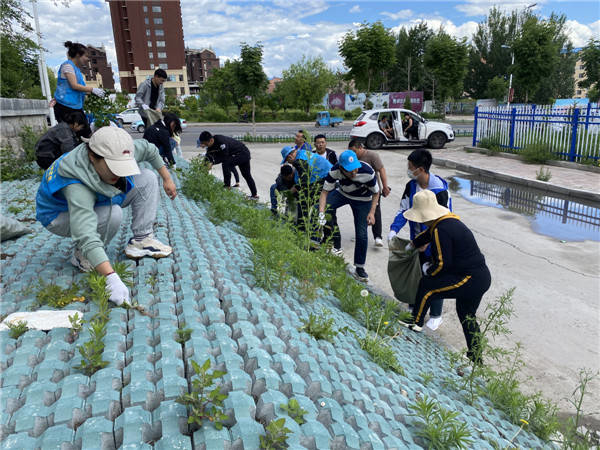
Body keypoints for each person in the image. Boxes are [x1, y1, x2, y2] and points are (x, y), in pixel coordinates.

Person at [35, 127, 177, 306]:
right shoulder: (75, 183)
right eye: (113, 168)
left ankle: (142, 238)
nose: (118, 174)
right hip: (59, 215)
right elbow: (85, 233)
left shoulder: (119, 149)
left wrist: (167, 178)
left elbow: (150, 149)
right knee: (113, 214)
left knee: (147, 177)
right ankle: (82, 256)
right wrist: (112, 278)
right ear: (93, 157)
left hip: (99, 194)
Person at [401, 190, 491, 363]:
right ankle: (476, 357)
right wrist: (413, 244)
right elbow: (427, 235)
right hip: (480, 277)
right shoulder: (445, 221)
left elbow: (443, 264)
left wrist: (428, 270)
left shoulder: (441, 230)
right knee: (467, 314)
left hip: (469, 278)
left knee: (428, 286)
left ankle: (416, 322)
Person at [388, 149, 452, 330]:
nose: (408, 170)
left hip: (435, 242)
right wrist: (393, 229)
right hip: (416, 239)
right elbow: (403, 209)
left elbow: (443, 221)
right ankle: (415, 308)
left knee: (435, 277)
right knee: (417, 275)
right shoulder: (411, 186)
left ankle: (436, 315)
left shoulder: (440, 189)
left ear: (421, 169)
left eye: (410, 167)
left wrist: (429, 242)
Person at [319, 150, 379, 282]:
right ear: (341, 168)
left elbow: (376, 193)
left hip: (363, 200)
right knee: (326, 209)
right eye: (349, 170)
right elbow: (324, 192)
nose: (354, 172)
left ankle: (359, 268)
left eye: (355, 169)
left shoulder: (367, 172)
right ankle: (333, 242)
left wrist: (372, 212)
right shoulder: (334, 171)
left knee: (362, 234)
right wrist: (321, 213)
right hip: (343, 194)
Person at [281, 145, 332, 243]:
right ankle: (303, 231)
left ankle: (304, 234)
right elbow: (301, 180)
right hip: (320, 179)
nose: (289, 161)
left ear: (292, 154)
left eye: (288, 158)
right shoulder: (302, 156)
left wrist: (295, 191)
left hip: (324, 178)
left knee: (306, 204)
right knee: (303, 202)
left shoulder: (300, 159)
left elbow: (304, 180)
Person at [54, 41, 105, 139]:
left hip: (74, 107)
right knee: (80, 135)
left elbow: (78, 89)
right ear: (78, 55)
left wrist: (92, 92)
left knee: (85, 135)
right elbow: (74, 85)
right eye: (85, 56)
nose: (87, 59)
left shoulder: (76, 69)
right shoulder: (67, 66)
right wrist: (92, 89)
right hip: (66, 108)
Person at [349, 139, 391, 248]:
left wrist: (385, 187)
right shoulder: (352, 158)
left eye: (354, 151)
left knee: (375, 211)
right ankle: (360, 233)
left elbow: (381, 170)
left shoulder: (372, 155)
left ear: (360, 148)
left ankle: (378, 237)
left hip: (373, 190)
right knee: (359, 212)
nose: (353, 154)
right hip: (358, 191)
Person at [197, 131, 258, 199]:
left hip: (243, 153)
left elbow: (224, 157)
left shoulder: (221, 141)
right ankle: (254, 195)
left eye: (205, 144)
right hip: (235, 154)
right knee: (246, 175)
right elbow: (207, 159)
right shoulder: (210, 147)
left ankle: (227, 186)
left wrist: (212, 162)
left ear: (211, 140)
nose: (204, 146)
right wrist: (201, 171)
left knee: (227, 164)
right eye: (203, 144)